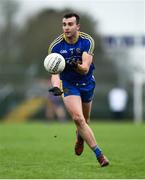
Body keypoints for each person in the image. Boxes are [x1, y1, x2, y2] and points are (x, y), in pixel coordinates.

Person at [48, 13, 109, 167]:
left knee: (85, 121)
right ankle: (100, 155)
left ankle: (80, 137)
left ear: (77, 26)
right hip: (68, 84)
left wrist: (76, 65)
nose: (66, 27)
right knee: (78, 118)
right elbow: (54, 72)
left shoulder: (87, 41)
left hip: (87, 83)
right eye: (64, 24)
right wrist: (56, 86)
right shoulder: (56, 46)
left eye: (70, 24)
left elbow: (85, 69)